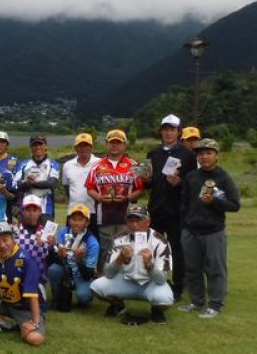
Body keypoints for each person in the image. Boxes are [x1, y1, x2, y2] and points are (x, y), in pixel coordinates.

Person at [178, 138, 241, 319]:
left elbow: (235, 205)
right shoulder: (191, 177)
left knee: (215, 268)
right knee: (192, 268)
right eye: (200, 153)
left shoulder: (222, 177)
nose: (204, 157)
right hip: (190, 231)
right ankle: (197, 302)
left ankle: (215, 304)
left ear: (216, 156)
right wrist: (185, 225)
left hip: (213, 231)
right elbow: (184, 203)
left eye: (208, 153)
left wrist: (214, 201)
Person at [143, 114, 197, 301]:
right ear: (161, 131)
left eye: (172, 129)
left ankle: (178, 287)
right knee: (154, 248)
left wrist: (179, 182)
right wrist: (145, 180)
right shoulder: (153, 154)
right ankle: (154, 281)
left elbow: (193, 184)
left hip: (177, 210)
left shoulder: (188, 155)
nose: (168, 132)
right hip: (156, 209)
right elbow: (149, 184)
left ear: (178, 132)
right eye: (165, 129)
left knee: (177, 250)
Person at [90, 204, 173, 324]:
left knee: (165, 299)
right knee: (96, 287)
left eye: (138, 220)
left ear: (148, 221)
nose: (134, 225)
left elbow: (162, 280)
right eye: (131, 220)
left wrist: (149, 265)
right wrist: (119, 259)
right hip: (126, 281)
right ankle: (118, 306)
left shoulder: (160, 242)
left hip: (150, 283)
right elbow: (107, 273)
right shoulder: (118, 239)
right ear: (126, 222)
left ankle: (156, 310)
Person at [86, 129, 144, 271]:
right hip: (104, 215)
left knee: (127, 248)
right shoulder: (96, 166)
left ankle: (126, 281)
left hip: (127, 216)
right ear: (107, 144)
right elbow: (89, 188)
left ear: (124, 145)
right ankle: (104, 283)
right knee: (106, 249)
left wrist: (127, 198)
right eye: (112, 142)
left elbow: (140, 189)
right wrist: (99, 197)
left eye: (118, 143)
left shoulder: (134, 165)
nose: (115, 146)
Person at [46, 204, 100, 310]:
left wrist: (80, 260)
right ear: (69, 220)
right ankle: (56, 298)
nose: (76, 223)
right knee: (53, 269)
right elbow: (56, 259)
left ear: (87, 223)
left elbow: (88, 274)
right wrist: (59, 255)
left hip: (82, 275)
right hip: (66, 269)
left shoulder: (93, 242)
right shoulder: (63, 231)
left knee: (84, 297)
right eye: (73, 219)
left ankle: (86, 293)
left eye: (80, 220)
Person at [12, 134, 60, 220]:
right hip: (26, 210)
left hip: (46, 211)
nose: (37, 147)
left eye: (40, 144)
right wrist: (27, 183)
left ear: (45, 146)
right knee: (24, 234)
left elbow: (52, 183)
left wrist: (32, 183)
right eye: (34, 145)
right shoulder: (23, 164)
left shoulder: (53, 164)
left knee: (45, 234)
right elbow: (15, 185)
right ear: (31, 148)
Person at [61, 133, 100, 228]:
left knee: (93, 241)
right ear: (75, 148)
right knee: (71, 242)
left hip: (94, 212)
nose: (83, 148)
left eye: (86, 145)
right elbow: (67, 187)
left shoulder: (100, 163)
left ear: (91, 147)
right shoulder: (67, 165)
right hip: (73, 212)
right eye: (80, 146)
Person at [15, 195, 50, 285]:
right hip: (17, 278)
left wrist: (52, 247)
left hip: (38, 279)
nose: (31, 214)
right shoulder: (14, 230)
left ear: (40, 212)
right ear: (22, 211)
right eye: (28, 210)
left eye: (34, 210)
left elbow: (52, 259)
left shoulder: (46, 232)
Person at [0, 131, 19, 220]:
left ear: (7, 144)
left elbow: (14, 183)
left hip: (6, 199)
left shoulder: (12, 160)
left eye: (2, 142)